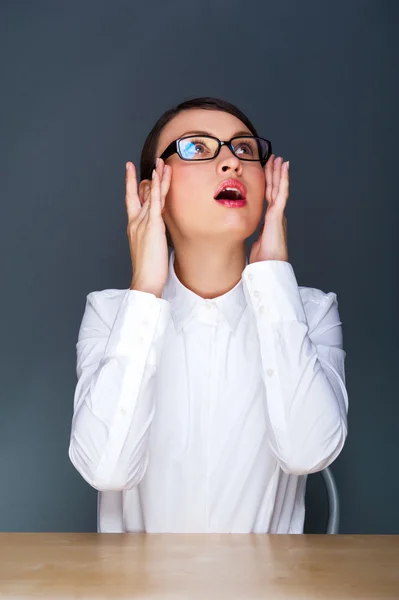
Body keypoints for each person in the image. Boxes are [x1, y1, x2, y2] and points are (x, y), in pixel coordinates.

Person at [69, 97, 348, 534]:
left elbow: (307, 452)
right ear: (150, 193)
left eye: (244, 150)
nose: (230, 164)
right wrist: (144, 287)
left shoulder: (309, 311)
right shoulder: (110, 315)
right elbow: (107, 468)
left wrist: (274, 273)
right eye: (197, 149)